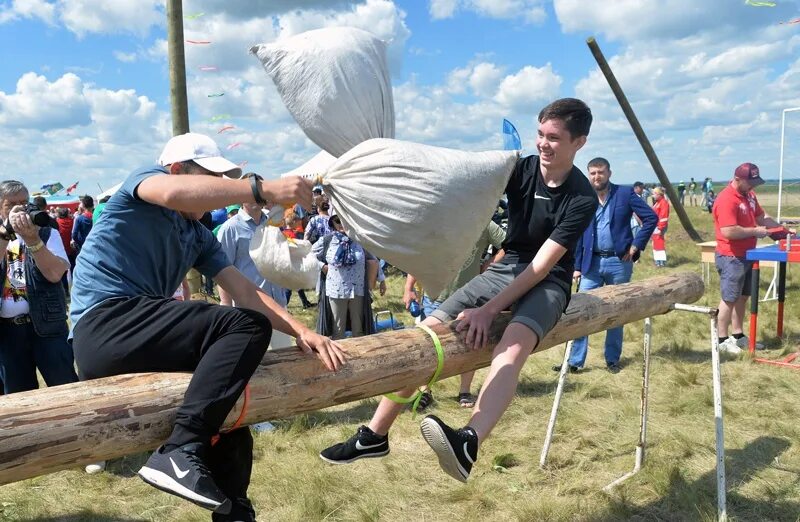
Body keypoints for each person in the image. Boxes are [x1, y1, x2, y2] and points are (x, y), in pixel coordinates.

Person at [319, 98, 597, 483]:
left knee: (511, 349)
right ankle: (374, 435)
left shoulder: (581, 196)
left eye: (554, 137)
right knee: (423, 336)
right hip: (507, 265)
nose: (543, 144)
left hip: (548, 281)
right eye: (539, 134)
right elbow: (460, 181)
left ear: (578, 143)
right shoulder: (520, 169)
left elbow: (541, 266)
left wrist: (488, 311)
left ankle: (469, 441)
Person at [69, 132, 344, 520]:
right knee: (243, 328)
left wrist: (304, 332)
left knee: (230, 419)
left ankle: (233, 508)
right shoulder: (144, 183)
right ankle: (180, 450)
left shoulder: (197, 235)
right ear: (178, 169)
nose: (218, 191)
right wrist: (260, 188)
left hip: (136, 334)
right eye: (211, 179)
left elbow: (247, 293)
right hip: (105, 327)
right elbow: (173, 193)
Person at [555, 158, 657, 374]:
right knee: (580, 309)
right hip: (591, 263)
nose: (596, 177)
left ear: (609, 173)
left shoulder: (625, 194)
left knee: (617, 310)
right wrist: (576, 266)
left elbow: (650, 218)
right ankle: (574, 361)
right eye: (592, 173)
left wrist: (636, 245)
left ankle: (612, 360)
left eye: (600, 172)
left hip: (619, 262)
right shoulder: (584, 196)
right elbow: (579, 234)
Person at [403, 220, 506, 408]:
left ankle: (464, 391)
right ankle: (425, 392)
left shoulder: (484, 222)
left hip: (469, 296)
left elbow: (508, 245)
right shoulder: (442, 217)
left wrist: (489, 266)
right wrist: (409, 287)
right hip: (435, 295)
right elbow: (419, 256)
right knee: (429, 344)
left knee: (470, 343)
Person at [0, 180, 79, 394]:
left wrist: (33, 240)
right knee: (17, 397)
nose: (19, 210)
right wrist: (5, 235)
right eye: (11, 205)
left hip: (48, 326)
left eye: (24, 203)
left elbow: (55, 274)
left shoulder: (45, 231)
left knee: (64, 389)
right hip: (8, 331)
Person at [712, 163, 786, 354]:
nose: (754, 186)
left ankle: (738, 336)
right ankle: (721, 340)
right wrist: (755, 231)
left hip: (748, 254)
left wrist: (780, 232)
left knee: (742, 297)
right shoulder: (727, 199)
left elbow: (762, 217)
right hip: (731, 256)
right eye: (750, 182)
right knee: (729, 298)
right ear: (737, 179)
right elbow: (728, 231)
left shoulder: (749, 195)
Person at [313, 214, 378, 339]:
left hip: (357, 289)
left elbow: (373, 258)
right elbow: (309, 254)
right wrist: (322, 266)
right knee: (338, 330)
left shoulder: (360, 240)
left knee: (359, 330)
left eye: (344, 220)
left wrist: (381, 280)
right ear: (333, 223)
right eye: (338, 221)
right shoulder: (327, 240)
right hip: (336, 289)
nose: (341, 223)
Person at [282, 209, 315, 309]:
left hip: (289, 262)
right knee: (289, 287)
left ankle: (305, 302)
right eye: (297, 222)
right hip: (291, 262)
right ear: (293, 222)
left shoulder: (284, 233)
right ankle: (284, 306)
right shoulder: (291, 235)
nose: (299, 224)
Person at [55, 208, 76, 293]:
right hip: (72, 249)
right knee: (73, 269)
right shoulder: (72, 221)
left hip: (61, 250)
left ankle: (65, 290)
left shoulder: (57, 222)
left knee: (63, 271)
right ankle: (75, 288)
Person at [651, 187, 669, 267]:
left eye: (654, 194)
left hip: (659, 226)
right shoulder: (658, 202)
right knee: (656, 244)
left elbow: (663, 216)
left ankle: (661, 262)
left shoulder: (663, 203)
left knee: (659, 244)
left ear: (659, 194)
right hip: (655, 226)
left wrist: (661, 227)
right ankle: (658, 261)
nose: (653, 195)